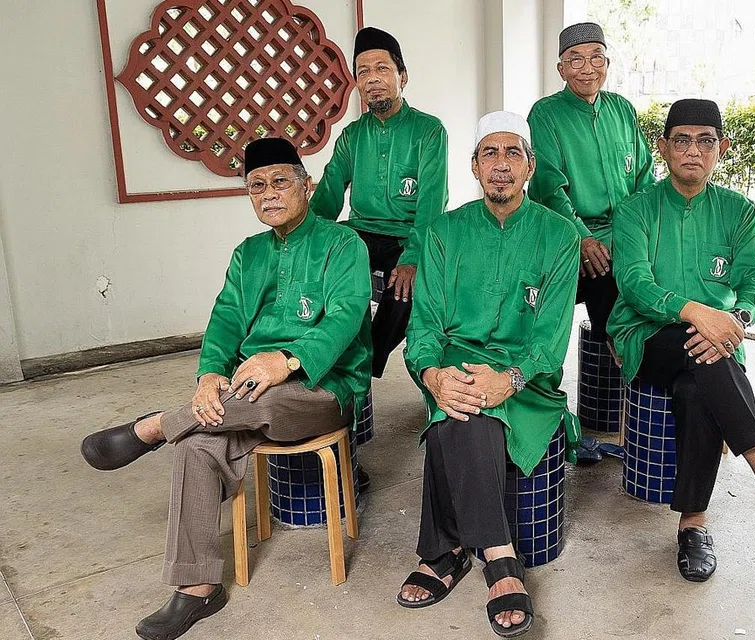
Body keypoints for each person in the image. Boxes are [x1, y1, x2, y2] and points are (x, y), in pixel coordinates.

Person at [80, 138, 372, 640]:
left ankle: (155, 426)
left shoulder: (344, 245)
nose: (269, 194)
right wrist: (209, 375)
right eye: (257, 186)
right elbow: (226, 319)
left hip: (324, 389)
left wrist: (287, 359)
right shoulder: (248, 254)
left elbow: (345, 317)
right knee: (197, 444)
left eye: (280, 182)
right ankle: (197, 587)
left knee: (259, 396)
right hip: (247, 392)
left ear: (307, 186)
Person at [607, 99, 755, 583]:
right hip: (647, 334)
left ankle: (693, 523)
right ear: (663, 148)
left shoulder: (737, 211)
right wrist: (697, 313)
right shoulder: (636, 209)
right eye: (681, 140)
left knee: (696, 387)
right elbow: (635, 284)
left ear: (721, 148)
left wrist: (737, 317)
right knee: (699, 347)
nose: (693, 150)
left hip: (718, 343)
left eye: (705, 141)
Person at [396, 112, 580, 637]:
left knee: (460, 417)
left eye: (513, 153)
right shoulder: (443, 232)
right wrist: (432, 375)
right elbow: (425, 324)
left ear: (530, 167)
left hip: (526, 382)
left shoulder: (559, 234)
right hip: (454, 366)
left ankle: (445, 552)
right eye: (490, 154)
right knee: (459, 406)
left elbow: (551, 338)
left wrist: (510, 378)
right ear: (474, 167)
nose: (501, 164)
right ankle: (500, 559)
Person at [310, 26, 448, 379]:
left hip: (406, 236)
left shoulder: (429, 131)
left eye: (382, 68)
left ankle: (360, 368)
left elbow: (431, 206)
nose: (372, 79)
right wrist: (304, 238)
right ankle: (308, 353)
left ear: (403, 76)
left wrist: (412, 258)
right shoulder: (352, 135)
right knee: (312, 269)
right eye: (363, 72)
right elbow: (327, 195)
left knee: (405, 292)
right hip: (360, 233)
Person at [528, 21, 655, 349]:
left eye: (596, 57)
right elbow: (549, 190)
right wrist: (582, 237)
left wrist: (641, 233)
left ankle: (654, 364)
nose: (587, 69)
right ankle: (618, 359)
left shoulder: (622, 109)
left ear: (607, 63)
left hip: (626, 234)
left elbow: (645, 177)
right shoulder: (545, 114)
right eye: (575, 59)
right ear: (561, 69)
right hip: (573, 237)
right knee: (607, 285)